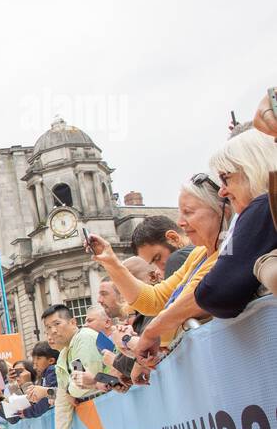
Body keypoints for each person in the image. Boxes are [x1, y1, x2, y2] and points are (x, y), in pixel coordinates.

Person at [89, 177, 226, 361]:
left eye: (188, 212)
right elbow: (155, 300)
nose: (181, 222)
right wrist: (111, 262)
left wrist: (148, 335)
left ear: (219, 209)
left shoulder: (225, 249)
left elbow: (192, 300)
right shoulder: (199, 254)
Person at [196, 129, 277, 318]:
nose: (222, 192)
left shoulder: (263, 205)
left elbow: (214, 294)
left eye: (225, 178)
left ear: (252, 169)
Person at [130, 214, 195, 279]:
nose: (160, 268)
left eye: (158, 258)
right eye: (154, 263)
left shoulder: (177, 259)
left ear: (173, 238)